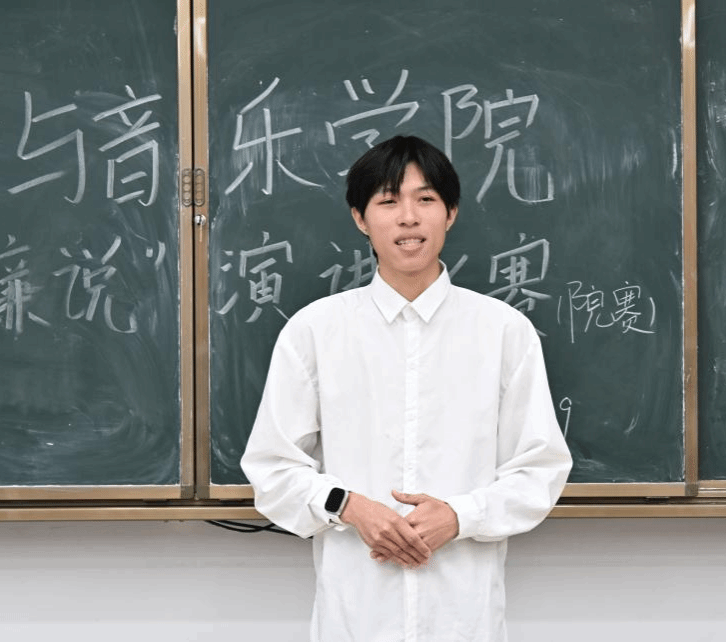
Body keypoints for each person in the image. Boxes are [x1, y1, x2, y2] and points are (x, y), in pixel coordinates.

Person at [241, 134, 572, 642]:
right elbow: (271, 468)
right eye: (388, 201)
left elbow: (539, 471)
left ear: (451, 212)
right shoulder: (315, 331)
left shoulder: (503, 331)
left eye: (426, 199)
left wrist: (459, 516)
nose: (409, 218)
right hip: (355, 614)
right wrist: (350, 507)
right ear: (360, 218)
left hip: (464, 616)